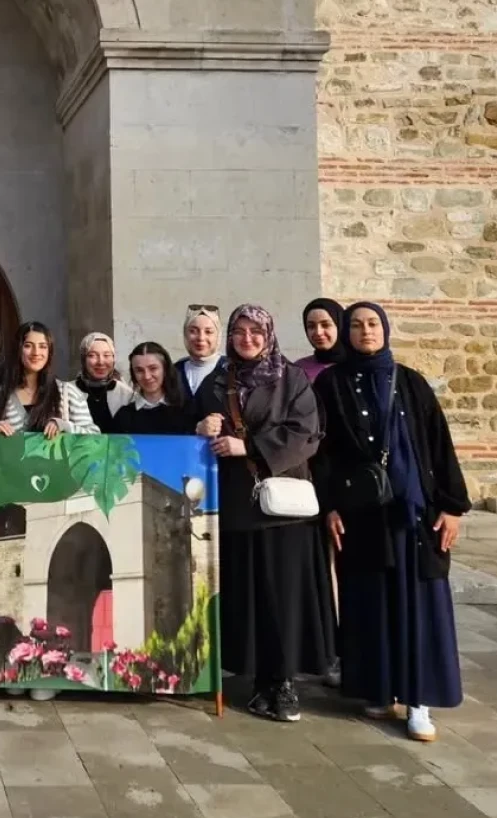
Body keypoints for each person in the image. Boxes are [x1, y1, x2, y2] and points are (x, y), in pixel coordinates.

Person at [314, 303, 468, 743]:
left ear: (385, 329)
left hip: (413, 514)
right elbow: (324, 454)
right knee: (371, 604)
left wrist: (452, 506)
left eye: (372, 324)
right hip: (362, 516)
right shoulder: (332, 383)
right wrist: (330, 506)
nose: (365, 331)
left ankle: (418, 700)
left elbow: (439, 443)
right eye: (357, 325)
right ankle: (379, 690)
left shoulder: (411, 382)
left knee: (418, 604)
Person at [194, 305, 332, 724]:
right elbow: (191, 428)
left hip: (282, 510)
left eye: (256, 331)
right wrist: (201, 429)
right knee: (248, 597)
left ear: (269, 333)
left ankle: (284, 682)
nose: (247, 338)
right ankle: (257, 682)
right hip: (236, 507)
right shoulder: (218, 381)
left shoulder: (291, 378)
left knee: (282, 598)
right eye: (239, 331)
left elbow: (306, 433)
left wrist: (248, 447)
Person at [0, 321, 95, 437]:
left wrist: (65, 426)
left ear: (49, 351)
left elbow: (95, 438)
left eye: (43, 346)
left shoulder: (67, 392)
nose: (36, 352)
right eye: (28, 345)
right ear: (18, 349)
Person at [114, 342, 189, 435]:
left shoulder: (186, 410)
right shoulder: (124, 416)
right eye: (139, 370)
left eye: (153, 368)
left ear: (165, 369)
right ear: (133, 374)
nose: (147, 376)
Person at [74, 332, 135, 432]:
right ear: (83, 359)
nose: (101, 362)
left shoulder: (127, 394)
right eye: (92, 355)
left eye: (107, 355)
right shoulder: (66, 391)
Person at [175, 304, 225, 405]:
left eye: (208, 332)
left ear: (218, 335)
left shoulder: (230, 370)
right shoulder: (174, 372)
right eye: (193, 331)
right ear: (185, 334)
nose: (201, 338)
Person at [296, 298, 346, 384]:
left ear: (340, 325)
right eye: (311, 326)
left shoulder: (357, 366)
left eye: (326, 325)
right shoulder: (298, 370)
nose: (318, 332)